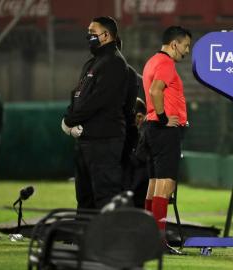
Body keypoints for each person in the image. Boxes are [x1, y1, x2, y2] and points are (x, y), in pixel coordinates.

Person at [61, 16, 138, 210]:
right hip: (86, 140)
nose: (88, 37)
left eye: (92, 33)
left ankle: (108, 240)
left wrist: (69, 120)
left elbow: (97, 101)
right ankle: (84, 239)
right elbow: (77, 96)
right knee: (84, 198)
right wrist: (69, 121)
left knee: (105, 196)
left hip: (105, 141)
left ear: (106, 35)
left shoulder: (115, 63)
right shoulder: (92, 64)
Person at [142, 26, 191, 254]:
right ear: (174, 44)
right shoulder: (166, 63)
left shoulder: (152, 61)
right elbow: (155, 91)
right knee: (166, 184)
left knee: (153, 185)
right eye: (185, 45)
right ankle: (158, 243)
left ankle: (149, 239)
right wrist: (163, 119)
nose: (187, 51)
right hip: (163, 130)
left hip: (151, 129)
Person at [122, 97, 149, 208]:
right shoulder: (130, 132)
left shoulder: (147, 132)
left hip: (141, 188)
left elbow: (141, 159)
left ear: (140, 116)